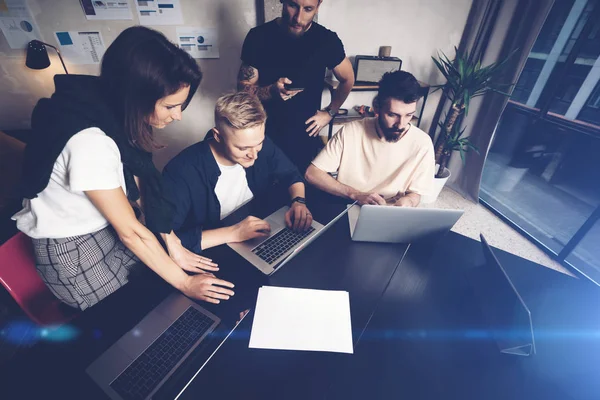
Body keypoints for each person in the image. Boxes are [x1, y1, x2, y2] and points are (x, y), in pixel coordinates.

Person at [12, 26, 235, 310]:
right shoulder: (90, 143)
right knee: (135, 312)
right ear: (138, 96)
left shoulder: (110, 106)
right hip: (73, 250)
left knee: (159, 285)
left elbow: (140, 182)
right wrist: (185, 282)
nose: (177, 116)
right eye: (170, 106)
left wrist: (173, 243)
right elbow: (130, 232)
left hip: (103, 227)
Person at [162, 91, 313, 254]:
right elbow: (165, 241)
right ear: (218, 136)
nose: (254, 155)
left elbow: (290, 174)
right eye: (243, 148)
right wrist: (234, 233)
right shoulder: (181, 172)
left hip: (255, 239)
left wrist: (299, 201)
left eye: (259, 143)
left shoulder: (257, 144)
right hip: (211, 253)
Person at [237, 0, 355, 171]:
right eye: (293, 5)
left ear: (318, 6)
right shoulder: (258, 36)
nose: (298, 18)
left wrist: (330, 112)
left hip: (304, 134)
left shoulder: (327, 40)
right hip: (262, 132)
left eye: (308, 9)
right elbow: (243, 89)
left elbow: (348, 79)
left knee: (298, 190)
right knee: (261, 190)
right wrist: (270, 91)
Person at [305, 70, 435, 207]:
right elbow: (312, 174)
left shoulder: (423, 143)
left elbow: (415, 194)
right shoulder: (351, 131)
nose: (401, 124)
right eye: (392, 115)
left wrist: (408, 201)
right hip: (348, 204)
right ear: (377, 108)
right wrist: (354, 194)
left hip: (389, 213)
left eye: (409, 115)